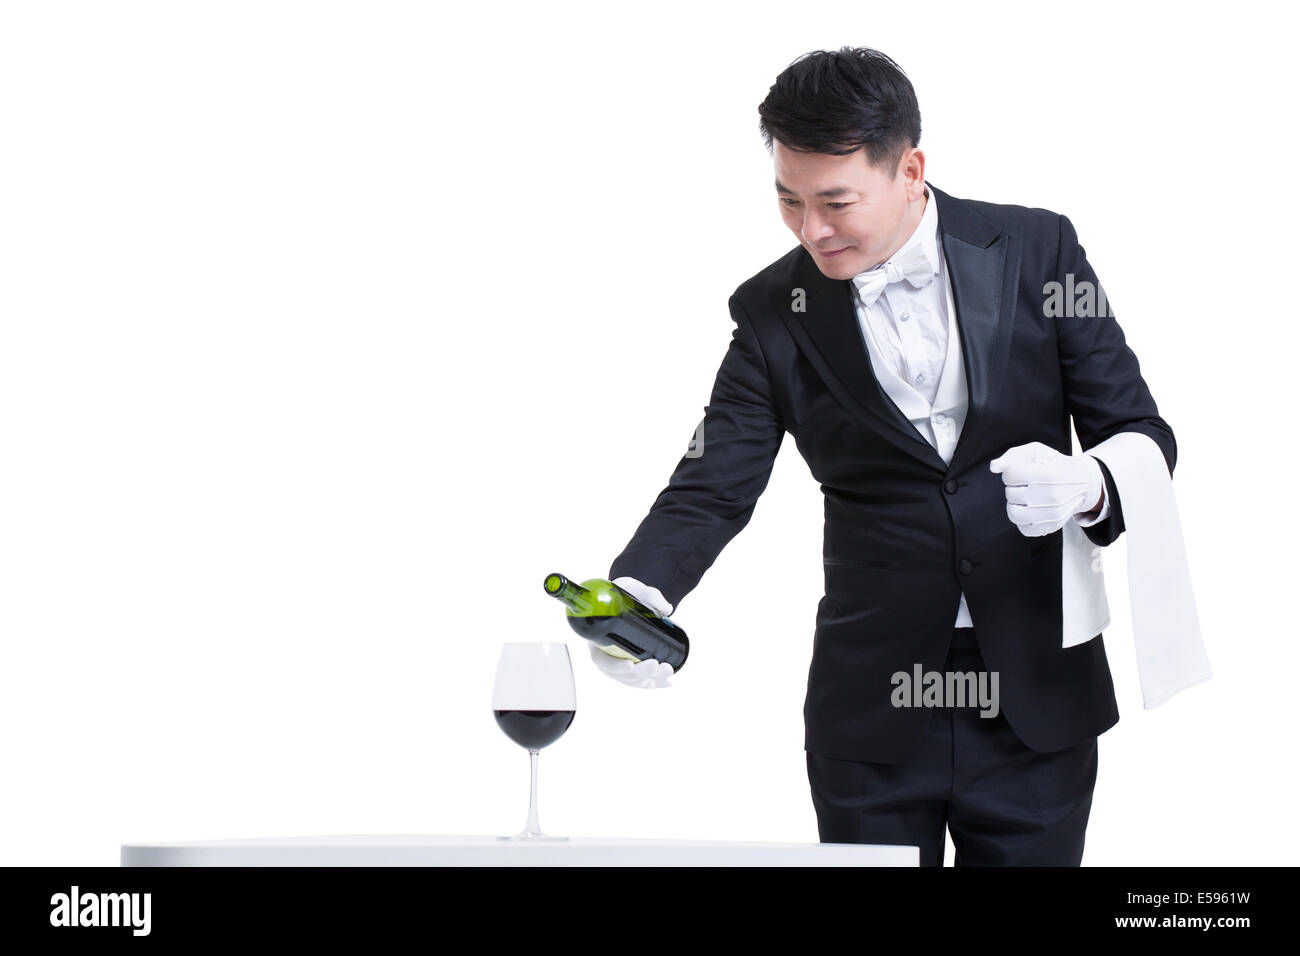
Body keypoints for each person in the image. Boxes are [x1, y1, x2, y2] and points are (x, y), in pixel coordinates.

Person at [593, 46, 1177, 866]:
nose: (812, 231)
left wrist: (1092, 483)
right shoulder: (772, 309)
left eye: (836, 202)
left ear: (910, 169)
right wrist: (638, 595)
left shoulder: (1040, 252)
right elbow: (712, 479)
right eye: (788, 202)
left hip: (1036, 700)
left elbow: (1142, 432)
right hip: (870, 714)